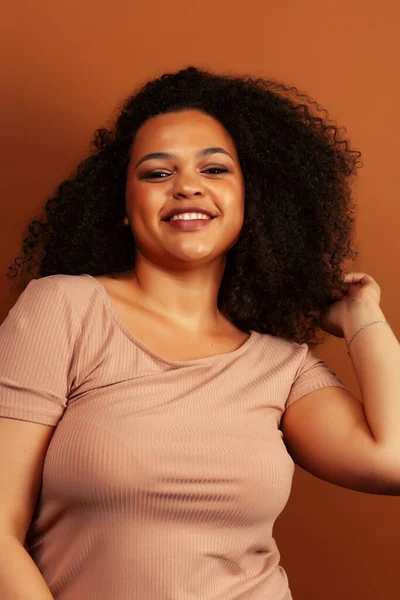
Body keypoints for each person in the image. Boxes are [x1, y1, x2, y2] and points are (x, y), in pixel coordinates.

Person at [1, 65, 396, 600]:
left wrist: (361, 316)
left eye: (214, 169)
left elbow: (392, 459)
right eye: (157, 173)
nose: (187, 186)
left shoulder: (284, 367)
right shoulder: (64, 309)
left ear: (251, 200)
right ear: (122, 206)